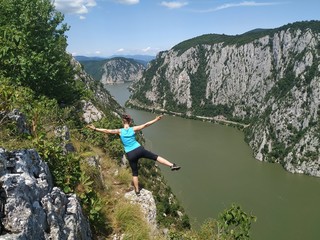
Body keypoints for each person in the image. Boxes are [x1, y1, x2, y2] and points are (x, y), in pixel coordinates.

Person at [86, 114, 181, 196]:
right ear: (130, 121)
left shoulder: (119, 131)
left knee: (135, 173)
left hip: (130, 154)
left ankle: (137, 191)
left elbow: (107, 130)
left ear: (123, 122)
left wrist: (94, 129)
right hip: (139, 149)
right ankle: (172, 165)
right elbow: (146, 124)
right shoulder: (133, 129)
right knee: (155, 157)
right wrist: (156, 119)